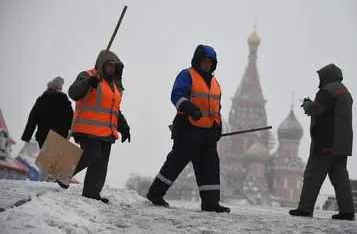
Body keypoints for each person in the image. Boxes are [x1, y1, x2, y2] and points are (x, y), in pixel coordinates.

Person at [146, 44, 230, 213]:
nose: (207, 65)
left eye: (210, 62)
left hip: (208, 133)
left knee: (210, 166)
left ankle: (210, 203)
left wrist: (218, 125)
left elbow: (216, 107)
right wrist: (190, 108)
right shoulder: (187, 75)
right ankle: (155, 194)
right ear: (197, 61)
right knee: (175, 163)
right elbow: (176, 95)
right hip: (187, 129)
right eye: (204, 61)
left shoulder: (215, 82)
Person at [62, 49, 131, 204]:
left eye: (114, 66)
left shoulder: (114, 85)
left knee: (101, 162)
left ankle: (92, 193)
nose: (111, 68)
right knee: (91, 153)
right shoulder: (88, 75)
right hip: (88, 128)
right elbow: (73, 93)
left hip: (107, 130)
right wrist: (87, 83)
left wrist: (124, 127)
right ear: (102, 64)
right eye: (109, 65)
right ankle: (63, 174)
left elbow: (113, 109)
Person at [289, 63, 355, 220]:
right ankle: (347, 211)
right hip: (342, 144)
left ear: (326, 76)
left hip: (326, 142)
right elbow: (330, 111)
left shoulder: (327, 91)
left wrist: (307, 104)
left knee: (313, 174)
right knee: (340, 178)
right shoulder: (345, 92)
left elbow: (315, 109)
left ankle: (305, 209)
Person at [21, 76, 74, 181]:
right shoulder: (65, 102)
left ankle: (43, 180)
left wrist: (27, 135)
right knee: (54, 160)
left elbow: (33, 118)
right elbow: (71, 120)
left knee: (46, 159)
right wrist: (76, 135)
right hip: (59, 136)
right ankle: (53, 180)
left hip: (43, 135)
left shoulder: (42, 100)